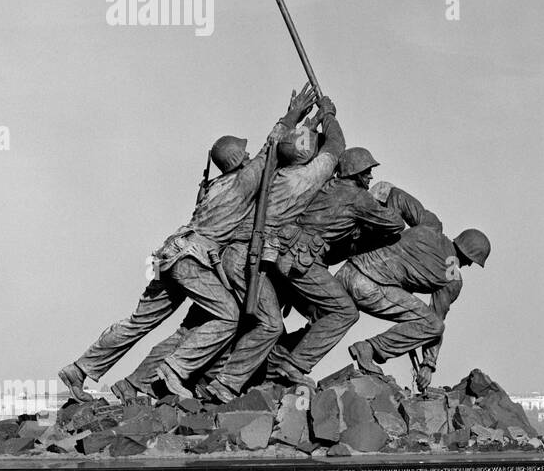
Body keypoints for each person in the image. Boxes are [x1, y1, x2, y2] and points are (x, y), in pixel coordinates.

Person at [57, 86, 316, 402]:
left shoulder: (214, 187)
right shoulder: (242, 182)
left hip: (167, 256)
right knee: (228, 315)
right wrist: (295, 114)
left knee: (139, 323)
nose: (250, 157)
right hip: (191, 260)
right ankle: (173, 371)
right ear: (237, 160)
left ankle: (81, 368)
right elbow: (271, 149)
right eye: (244, 155)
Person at [205, 93, 345, 400]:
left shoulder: (269, 172)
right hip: (248, 256)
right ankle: (225, 382)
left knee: (256, 320)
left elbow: (278, 145)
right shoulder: (306, 178)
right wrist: (329, 115)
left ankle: (225, 375)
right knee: (270, 323)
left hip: (235, 253)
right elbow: (336, 148)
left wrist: (302, 119)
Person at [265, 146, 440, 380]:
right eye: (367, 171)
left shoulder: (329, 186)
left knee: (321, 313)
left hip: (290, 253)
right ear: (355, 173)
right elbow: (396, 224)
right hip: (301, 261)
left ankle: (276, 359)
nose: (370, 176)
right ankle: (294, 366)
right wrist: (381, 204)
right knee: (345, 312)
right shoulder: (358, 198)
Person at [339, 224, 491, 393]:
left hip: (347, 270)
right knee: (433, 325)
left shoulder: (426, 230)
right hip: (368, 286)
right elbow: (435, 321)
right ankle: (369, 348)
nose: (469, 265)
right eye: (471, 261)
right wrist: (428, 364)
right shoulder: (451, 275)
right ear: (467, 255)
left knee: (320, 322)